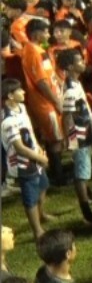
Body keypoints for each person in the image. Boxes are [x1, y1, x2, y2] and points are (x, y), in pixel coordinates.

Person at [1, 79, 51, 239]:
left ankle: (41, 213)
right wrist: (39, 158)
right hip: (24, 163)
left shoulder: (22, 108)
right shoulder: (8, 121)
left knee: (43, 184)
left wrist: (39, 149)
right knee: (30, 196)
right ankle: (37, 231)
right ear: (10, 95)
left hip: (34, 157)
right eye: (19, 90)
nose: (23, 92)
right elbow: (19, 148)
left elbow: (29, 131)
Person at [56, 49, 92, 223]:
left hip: (84, 130)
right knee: (81, 171)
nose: (83, 62)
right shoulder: (70, 90)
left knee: (84, 166)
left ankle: (87, 194)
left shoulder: (76, 83)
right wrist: (69, 138)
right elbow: (66, 115)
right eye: (79, 60)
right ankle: (86, 211)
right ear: (70, 66)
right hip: (79, 134)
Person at [21, 18, 64, 185]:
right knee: (55, 138)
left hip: (48, 101)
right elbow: (41, 81)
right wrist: (56, 101)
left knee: (54, 136)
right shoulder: (32, 51)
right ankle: (57, 176)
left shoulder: (39, 50)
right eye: (45, 31)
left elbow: (48, 76)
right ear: (35, 33)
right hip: (44, 103)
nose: (48, 34)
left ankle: (56, 171)